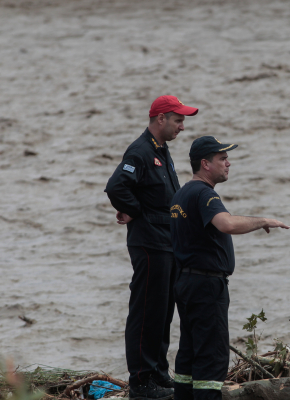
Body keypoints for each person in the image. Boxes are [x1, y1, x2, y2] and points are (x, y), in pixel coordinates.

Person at [170, 136, 290, 400]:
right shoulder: (204, 193)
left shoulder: (181, 193)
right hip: (206, 286)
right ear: (205, 164)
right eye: (222, 159)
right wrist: (263, 220)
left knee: (189, 355)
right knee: (210, 359)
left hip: (185, 283)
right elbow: (227, 224)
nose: (229, 163)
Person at [105, 95, 200, 400]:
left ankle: (158, 372)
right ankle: (142, 381)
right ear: (161, 118)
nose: (182, 127)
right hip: (149, 242)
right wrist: (135, 210)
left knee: (163, 311)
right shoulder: (141, 151)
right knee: (146, 310)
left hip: (166, 242)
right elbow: (116, 186)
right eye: (178, 120)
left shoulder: (162, 150)